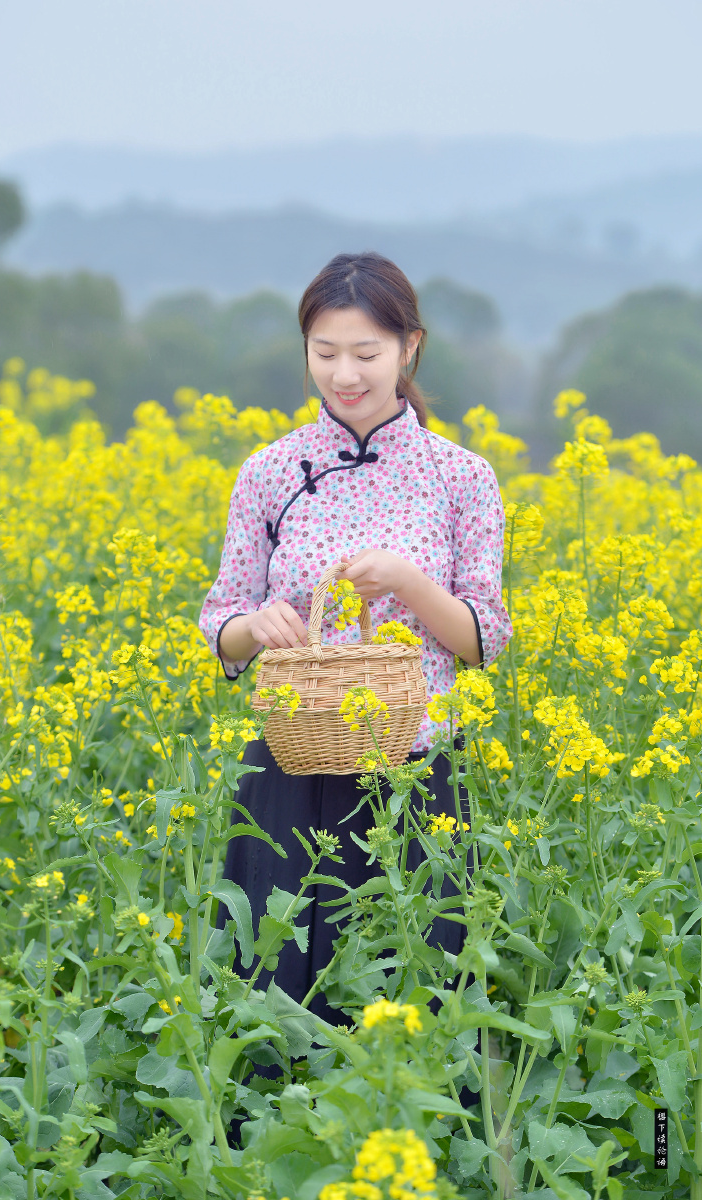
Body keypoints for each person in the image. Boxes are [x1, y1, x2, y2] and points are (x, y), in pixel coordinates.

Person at [198, 251, 512, 1022]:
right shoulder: (269, 472)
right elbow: (221, 617)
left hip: (417, 767)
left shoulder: (460, 477)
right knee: (275, 987)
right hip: (290, 765)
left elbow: (482, 637)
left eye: (366, 353)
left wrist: (407, 581)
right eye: (324, 352)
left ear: (409, 348)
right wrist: (251, 628)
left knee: (420, 983)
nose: (344, 373)